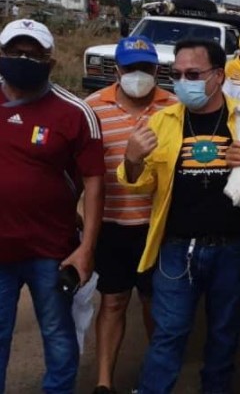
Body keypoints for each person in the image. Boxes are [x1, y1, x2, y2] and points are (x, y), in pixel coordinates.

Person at [119, 39, 240, 394]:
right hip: (177, 250)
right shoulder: (161, 122)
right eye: (177, 75)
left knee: (224, 336)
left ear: (219, 75)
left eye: (193, 74)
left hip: (233, 248)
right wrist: (132, 160)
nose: (184, 82)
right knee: (168, 333)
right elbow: (141, 185)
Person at [0, 19, 104, 393]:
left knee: (59, 340)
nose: (23, 59)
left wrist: (86, 249)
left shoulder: (75, 112)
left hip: (51, 252)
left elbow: (95, 182)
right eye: (15, 52)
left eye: (34, 54)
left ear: (52, 61)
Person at [84, 36, 177, 394]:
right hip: (113, 224)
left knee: (156, 305)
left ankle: (154, 378)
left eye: (146, 68)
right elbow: (83, 171)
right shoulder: (93, 108)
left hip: (159, 226)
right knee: (113, 301)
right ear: (118, 70)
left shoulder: (173, 106)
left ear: (157, 70)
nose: (138, 74)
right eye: (130, 67)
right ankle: (104, 382)